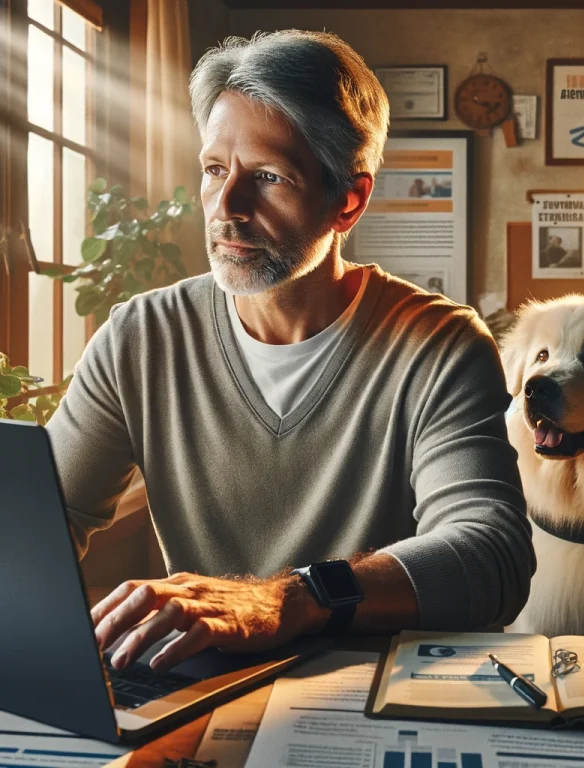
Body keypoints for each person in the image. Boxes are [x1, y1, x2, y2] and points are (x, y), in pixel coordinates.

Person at [47, 29, 534, 672]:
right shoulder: (140, 336)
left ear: (348, 202)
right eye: (215, 169)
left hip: (377, 697)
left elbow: (489, 555)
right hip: (197, 687)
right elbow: (39, 523)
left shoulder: (438, 346)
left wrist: (291, 599)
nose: (228, 207)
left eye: (269, 177)